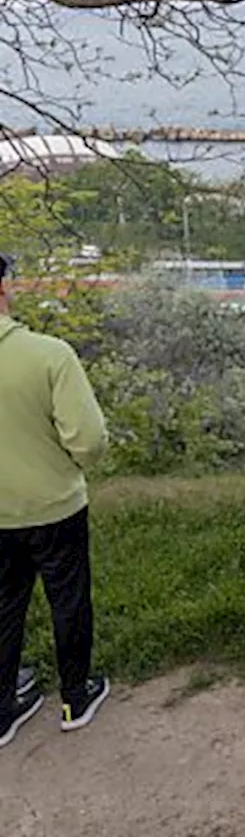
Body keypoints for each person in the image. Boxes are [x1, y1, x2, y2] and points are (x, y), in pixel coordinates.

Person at [0, 253, 112, 748]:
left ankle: (3, 710)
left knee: (4, 606)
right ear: (4, 290)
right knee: (68, 600)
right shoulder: (49, 355)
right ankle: (75, 697)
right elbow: (88, 440)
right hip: (55, 505)